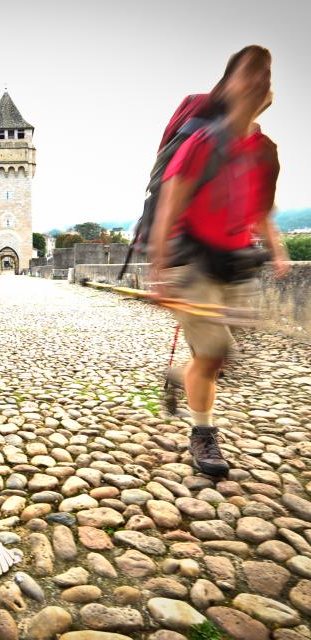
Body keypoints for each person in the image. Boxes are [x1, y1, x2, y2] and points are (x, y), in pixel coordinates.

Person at [150, 45, 289, 477]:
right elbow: (172, 204)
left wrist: (278, 248)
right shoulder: (201, 143)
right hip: (194, 261)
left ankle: (181, 376)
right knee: (213, 353)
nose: (259, 79)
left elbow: (262, 208)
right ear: (226, 86)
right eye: (250, 71)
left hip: (236, 262)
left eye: (266, 72)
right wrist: (160, 268)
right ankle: (203, 433)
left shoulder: (265, 150)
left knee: (214, 357)